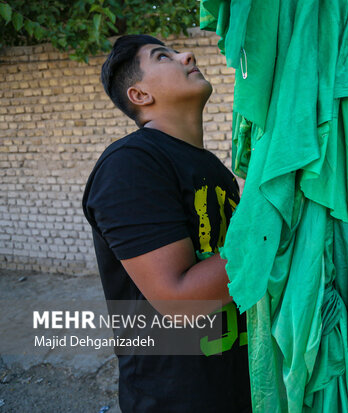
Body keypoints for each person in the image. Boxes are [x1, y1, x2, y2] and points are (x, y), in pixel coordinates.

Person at [82, 34, 251, 412]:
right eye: (164, 56)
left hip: (237, 385)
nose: (187, 55)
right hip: (176, 398)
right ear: (140, 95)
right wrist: (275, 225)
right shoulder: (131, 164)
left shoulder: (215, 171)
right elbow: (179, 299)